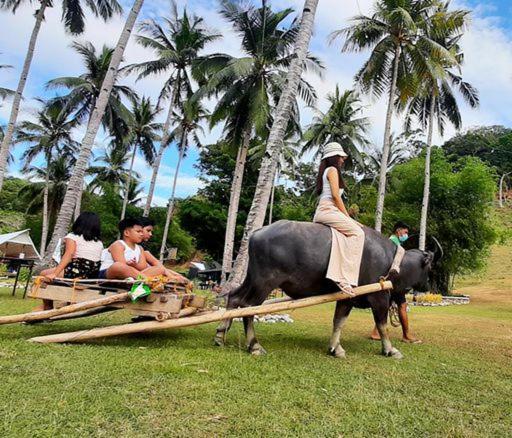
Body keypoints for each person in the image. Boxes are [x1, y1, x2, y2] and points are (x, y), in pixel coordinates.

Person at [312, 142, 365, 295]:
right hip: (328, 209)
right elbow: (335, 196)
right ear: (334, 157)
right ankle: (343, 278)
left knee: (343, 235)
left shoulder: (327, 170)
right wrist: (349, 218)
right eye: (341, 157)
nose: (343, 160)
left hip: (327, 209)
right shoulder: (333, 170)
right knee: (357, 233)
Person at [370, 221, 422, 344]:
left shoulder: (395, 243)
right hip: (393, 282)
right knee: (402, 305)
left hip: (393, 282)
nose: (406, 235)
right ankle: (406, 335)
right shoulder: (393, 243)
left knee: (388, 306)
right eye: (405, 232)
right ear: (398, 231)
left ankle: (376, 332)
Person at [39, 212, 104, 310]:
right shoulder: (99, 242)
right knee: (54, 274)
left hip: (76, 271)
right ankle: (66, 301)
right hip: (91, 275)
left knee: (43, 274)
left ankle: (48, 306)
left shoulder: (72, 236)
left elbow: (69, 254)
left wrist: (55, 273)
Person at [98, 218, 167, 280]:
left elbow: (143, 267)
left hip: (133, 275)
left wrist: (134, 265)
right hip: (110, 273)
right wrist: (131, 267)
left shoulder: (140, 248)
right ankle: (146, 280)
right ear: (126, 233)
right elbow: (122, 265)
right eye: (138, 231)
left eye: (142, 232)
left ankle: (138, 280)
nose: (141, 234)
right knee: (118, 266)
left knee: (159, 269)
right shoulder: (118, 244)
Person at [139, 217, 188, 282]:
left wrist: (177, 275)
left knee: (167, 271)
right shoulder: (128, 247)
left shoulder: (141, 249)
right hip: (141, 276)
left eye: (151, 231)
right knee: (162, 270)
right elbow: (159, 267)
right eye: (148, 231)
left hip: (148, 273)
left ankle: (181, 278)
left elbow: (160, 266)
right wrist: (172, 277)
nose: (151, 234)